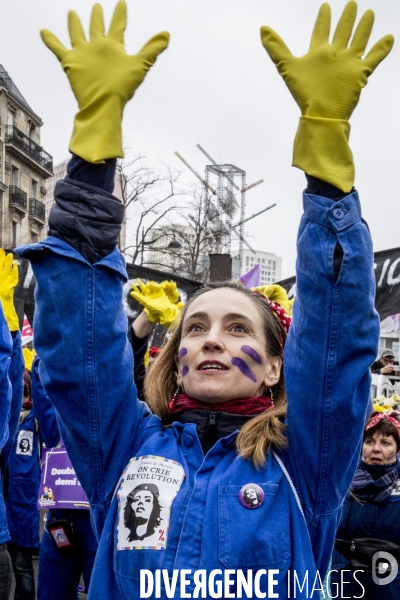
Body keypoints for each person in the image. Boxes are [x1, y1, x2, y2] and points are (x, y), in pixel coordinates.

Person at [16, 1, 392, 597]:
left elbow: (336, 342)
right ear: (175, 356)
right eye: (194, 329)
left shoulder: (306, 468)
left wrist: (328, 173)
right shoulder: (127, 447)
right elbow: (78, 348)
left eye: (239, 329)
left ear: (276, 365)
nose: (211, 337)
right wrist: (90, 164)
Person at [331, 411, 400, 598]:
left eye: (386, 443)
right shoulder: (343, 482)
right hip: (347, 582)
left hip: (391, 584)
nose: (376, 449)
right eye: (369, 441)